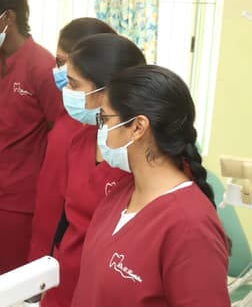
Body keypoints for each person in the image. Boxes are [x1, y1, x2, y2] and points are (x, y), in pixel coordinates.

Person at [72, 65, 230, 306]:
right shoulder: (121, 194)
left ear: (137, 127)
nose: (100, 130)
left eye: (104, 119)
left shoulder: (190, 227)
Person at [0, 0, 63, 275]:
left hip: (18, 195)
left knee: (11, 279)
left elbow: (58, 132)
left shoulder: (43, 66)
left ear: (8, 16)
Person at [41, 33, 145, 307]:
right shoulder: (83, 139)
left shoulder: (141, 157)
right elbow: (67, 217)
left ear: (108, 91)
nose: (67, 92)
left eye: (74, 85)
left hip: (109, 289)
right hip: (66, 280)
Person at [28, 18, 115, 262]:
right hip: (47, 241)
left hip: (74, 252)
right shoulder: (71, 111)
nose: (62, 73)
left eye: (71, 66)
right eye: (59, 61)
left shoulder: (109, 137)